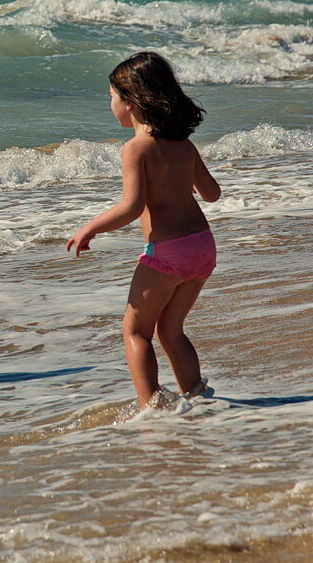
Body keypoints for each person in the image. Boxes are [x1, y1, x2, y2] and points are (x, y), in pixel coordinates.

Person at [66, 51, 221, 410]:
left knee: (136, 332)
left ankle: (150, 409)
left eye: (111, 97)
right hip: (202, 248)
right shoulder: (183, 144)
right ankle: (197, 397)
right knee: (172, 330)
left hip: (167, 254)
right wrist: (182, 180)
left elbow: (131, 207)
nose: (111, 104)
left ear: (131, 102)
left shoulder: (136, 149)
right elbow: (212, 194)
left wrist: (90, 228)